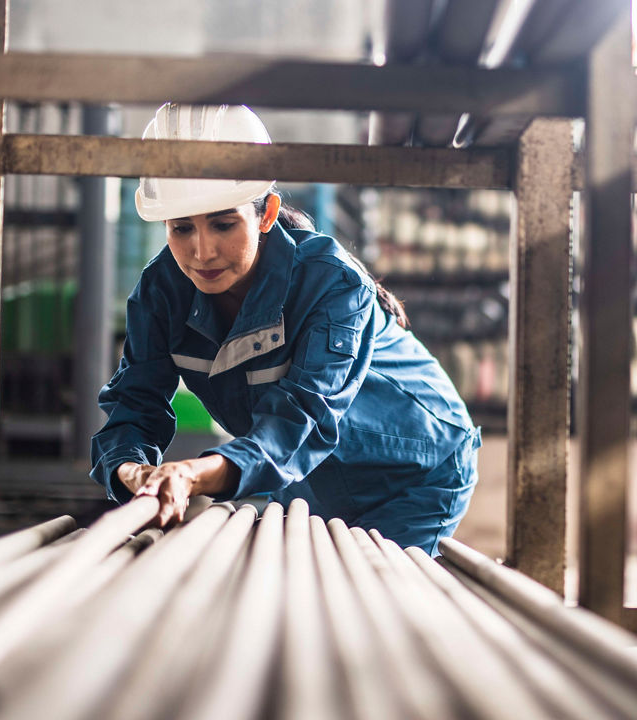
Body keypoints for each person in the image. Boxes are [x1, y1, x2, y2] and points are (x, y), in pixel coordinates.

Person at [90, 103, 480, 555]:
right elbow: (134, 406)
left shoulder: (330, 283)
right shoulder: (161, 294)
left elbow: (303, 418)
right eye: (181, 228)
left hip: (416, 471)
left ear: (267, 213)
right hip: (308, 477)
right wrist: (133, 472)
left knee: (365, 607)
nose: (202, 251)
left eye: (223, 223)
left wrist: (193, 475)